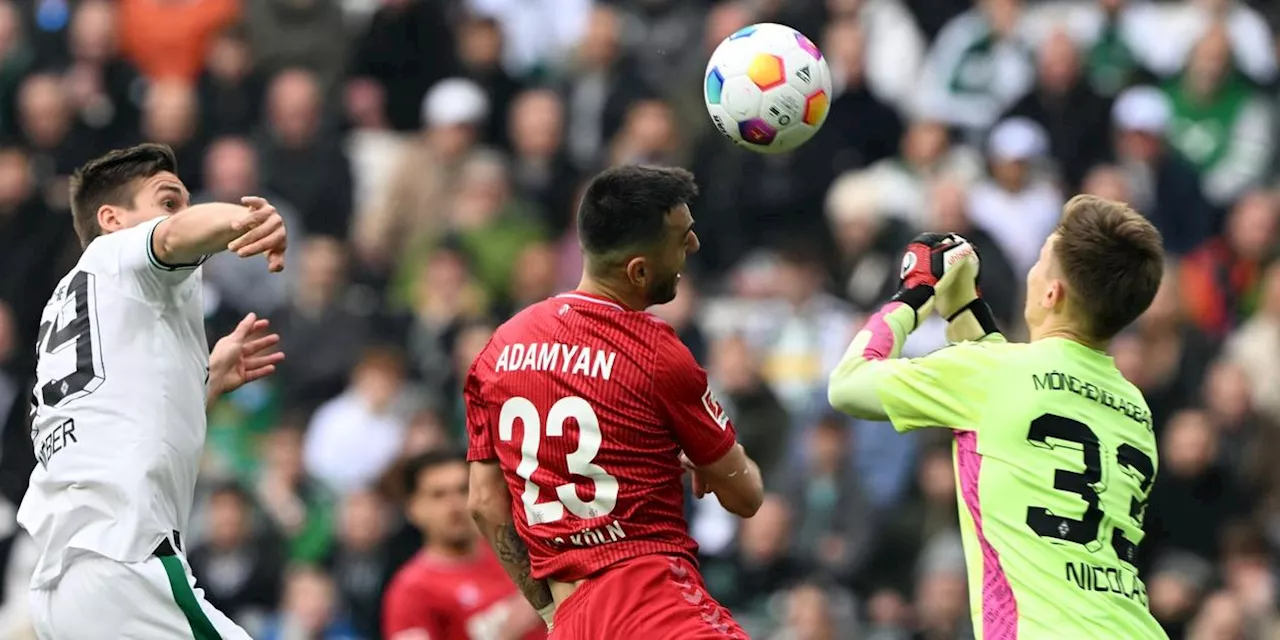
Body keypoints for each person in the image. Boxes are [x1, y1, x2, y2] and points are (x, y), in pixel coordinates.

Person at [827, 194, 1168, 638]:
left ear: (1051, 292)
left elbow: (848, 384)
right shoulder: (1132, 403)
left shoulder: (992, 375)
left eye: (1040, 259)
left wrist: (913, 295)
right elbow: (1012, 395)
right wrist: (966, 305)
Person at [465, 165, 762, 639]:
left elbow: (484, 502)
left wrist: (547, 611)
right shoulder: (655, 350)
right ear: (638, 270)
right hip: (657, 605)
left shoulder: (500, 347)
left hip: (575, 622)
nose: (694, 247)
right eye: (682, 238)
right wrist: (717, 458)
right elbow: (746, 497)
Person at [18, 143, 289, 639]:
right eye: (169, 201)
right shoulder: (116, 252)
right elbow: (172, 238)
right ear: (111, 219)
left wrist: (202, 382)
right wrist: (246, 218)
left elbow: (115, 409)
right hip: (125, 560)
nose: (181, 214)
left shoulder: (70, 303)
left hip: (62, 587)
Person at [382, 450, 547, 640]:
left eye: (463, 490)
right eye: (439, 495)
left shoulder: (519, 557)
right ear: (414, 509)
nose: (454, 506)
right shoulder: (410, 591)